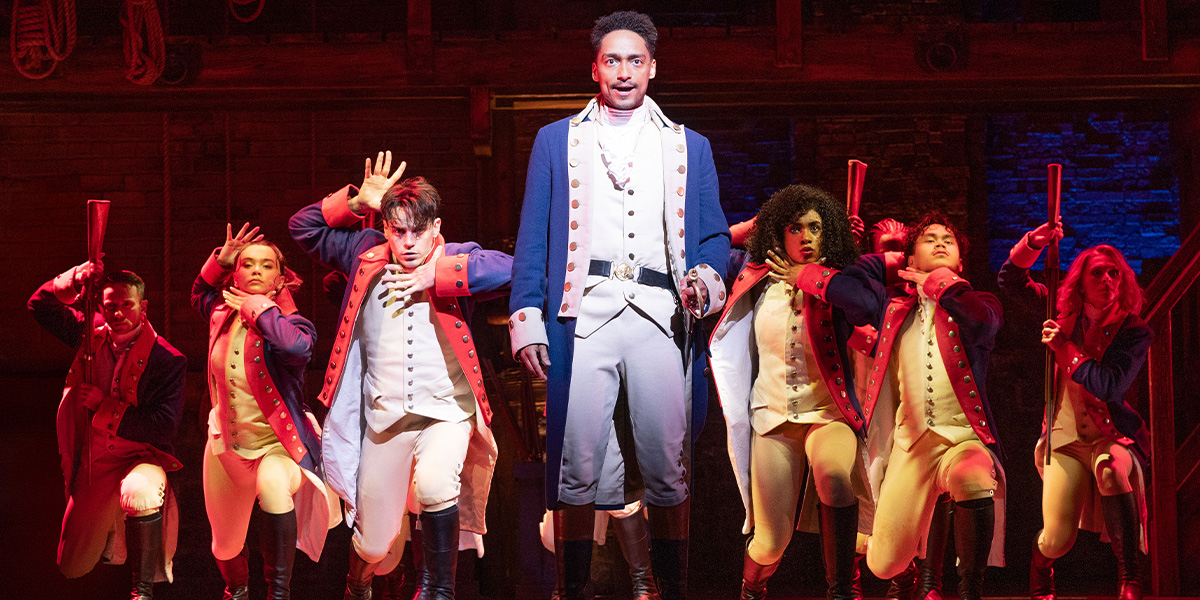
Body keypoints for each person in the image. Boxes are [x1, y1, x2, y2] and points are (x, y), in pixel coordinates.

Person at [508, 10, 730, 599]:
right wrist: (527, 314)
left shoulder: (689, 146)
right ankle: (573, 590)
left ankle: (672, 589)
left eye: (635, 60)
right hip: (584, 316)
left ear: (653, 68)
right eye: (613, 60)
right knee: (575, 465)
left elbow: (713, 237)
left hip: (659, 313)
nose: (624, 71)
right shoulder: (558, 140)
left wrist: (703, 281)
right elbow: (534, 234)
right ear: (595, 69)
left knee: (666, 464)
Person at [289, 153, 509, 600]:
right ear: (386, 227)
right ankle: (358, 582)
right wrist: (354, 203)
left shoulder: (458, 257)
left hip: (446, 413)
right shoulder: (363, 251)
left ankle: (439, 591)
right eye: (398, 230)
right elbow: (302, 228)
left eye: (418, 231)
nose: (407, 242)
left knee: (434, 484)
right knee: (374, 540)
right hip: (384, 420)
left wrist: (439, 273)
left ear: (436, 226)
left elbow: (515, 268)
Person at [710, 184, 877, 600]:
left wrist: (810, 276)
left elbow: (865, 304)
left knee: (836, 480)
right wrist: (740, 231)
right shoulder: (752, 272)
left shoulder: (843, 277)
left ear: (830, 233)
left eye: (816, 228)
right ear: (778, 233)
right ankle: (752, 589)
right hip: (772, 416)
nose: (805, 236)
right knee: (771, 542)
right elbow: (700, 247)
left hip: (829, 414)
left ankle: (841, 592)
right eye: (795, 227)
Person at [827, 214, 1006, 600]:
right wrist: (873, 260)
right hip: (911, 446)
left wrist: (942, 283)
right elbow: (845, 290)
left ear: (960, 263)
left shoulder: (979, 302)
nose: (940, 243)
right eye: (929, 239)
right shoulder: (892, 308)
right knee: (883, 565)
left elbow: (983, 324)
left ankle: (970, 591)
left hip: (963, 440)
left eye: (949, 241)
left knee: (973, 475)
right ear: (909, 259)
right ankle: (876, 550)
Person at [998, 223, 1151, 600]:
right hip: (1064, 440)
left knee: (1112, 470)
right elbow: (1009, 280)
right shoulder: (1058, 310)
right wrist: (1035, 242)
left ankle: (1129, 577)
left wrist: (1065, 348)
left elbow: (1108, 385)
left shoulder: (1132, 330)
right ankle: (1041, 567)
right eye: (1097, 272)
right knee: (1057, 539)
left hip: (1111, 434)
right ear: (1080, 282)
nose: (1107, 279)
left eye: (1114, 272)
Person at [191, 224, 334, 600]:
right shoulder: (219, 312)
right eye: (247, 264)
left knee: (272, 485)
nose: (255, 270)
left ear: (279, 278)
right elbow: (199, 292)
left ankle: (278, 594)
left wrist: (258, 307)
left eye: (266, 265)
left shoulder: (293, 324)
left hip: (278, 448)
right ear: (235, 275)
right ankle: (236, 590)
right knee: (224, 547)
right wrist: (218, 262)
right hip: (227, 448)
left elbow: (297, 349)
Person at [29, 265, 186, 600]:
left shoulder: (167, 359)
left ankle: (141, 592)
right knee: (71, 564)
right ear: (100, 307)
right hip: (95, 464)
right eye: (110, 306)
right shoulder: (91, 333)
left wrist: (105, 406)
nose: (117, 313)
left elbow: (163, 425)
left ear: (143, 307)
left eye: (126, 305)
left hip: (140, 457)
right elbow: (40, 305)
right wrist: (74, 279)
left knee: (141, 491)